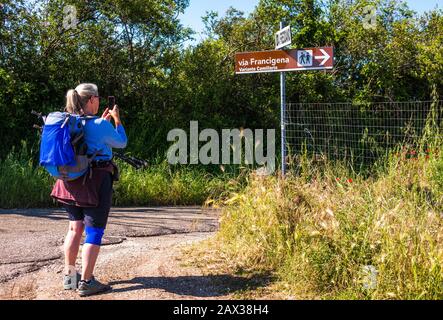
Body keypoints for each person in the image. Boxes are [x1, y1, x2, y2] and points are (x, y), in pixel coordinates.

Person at [50, 83, 127, 297]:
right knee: (94, 232)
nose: (100, 100)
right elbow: (121, 142)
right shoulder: (100, 124)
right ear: (92, 99)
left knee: (74, 229)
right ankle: (86, 282)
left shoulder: (69, 121)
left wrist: (104, 122)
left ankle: (70, 277)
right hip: (95, 182)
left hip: (68, 181)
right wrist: (117, 120)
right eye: (98, 97)